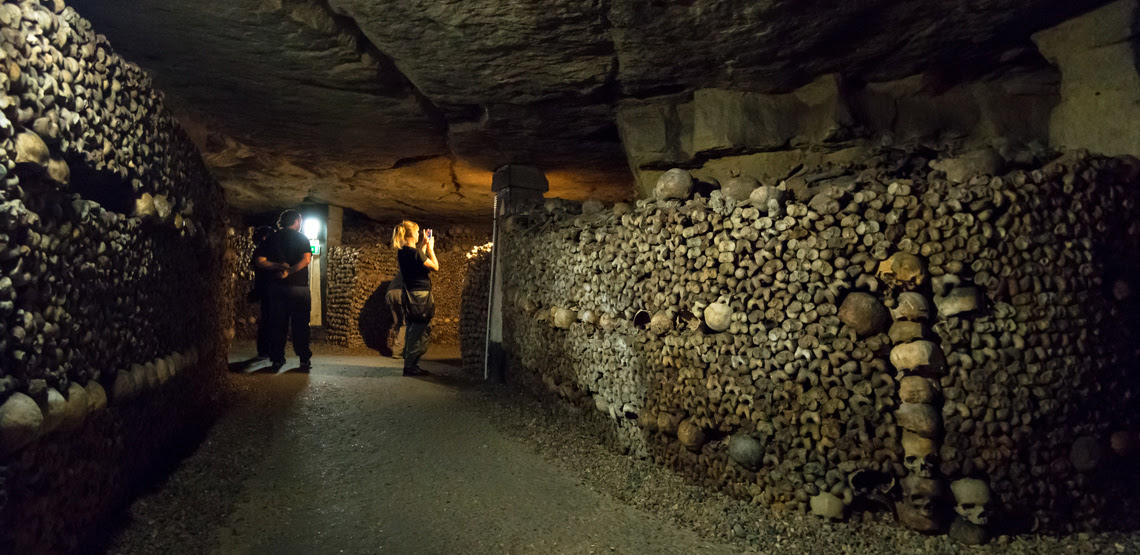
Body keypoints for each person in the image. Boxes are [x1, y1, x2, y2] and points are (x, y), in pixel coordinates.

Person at [257, 210, 313, 371]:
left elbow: (260, 261)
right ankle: (303, 358)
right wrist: (291, 271)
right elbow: (307, 259)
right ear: (296, 221)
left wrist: (278, 266)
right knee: (301, 324)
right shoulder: (302, 238)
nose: (300, 224)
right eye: (300, 221)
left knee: (277, 325)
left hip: (277, 288)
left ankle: (277, 359)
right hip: (299, 288)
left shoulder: (272, 238)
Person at [392, 220, 438, 376]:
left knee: (414, 327)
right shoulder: (416, 253)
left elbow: (417, 258)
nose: (419, 235)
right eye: (418, 233)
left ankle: (412, 364)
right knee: (418, 330)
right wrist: (430, 249)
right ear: (412, 234)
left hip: (409, 294)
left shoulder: (403, 252)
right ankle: (410, 365)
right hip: (421, 296)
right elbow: (435, 267)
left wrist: (423, 246)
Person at [249, 225, 280, 362]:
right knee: (268, 319)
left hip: (266, 288)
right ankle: (265, 350)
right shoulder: (263, 250)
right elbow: (260, 265)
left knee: (268, 319)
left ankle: (266, 350)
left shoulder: (263, 250)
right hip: (268, 289)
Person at [385, 264, 405, 358]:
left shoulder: (401, 272)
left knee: (397, 323)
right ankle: (397, 351)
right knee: (406, 324)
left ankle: (397, 346)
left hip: (390, 294)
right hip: (401, 293)